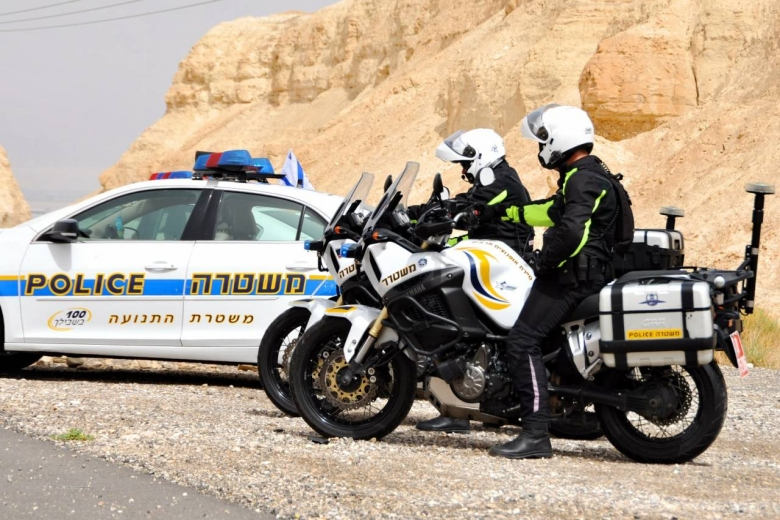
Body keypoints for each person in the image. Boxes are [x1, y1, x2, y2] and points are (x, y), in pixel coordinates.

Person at [486, 104, 621, 459]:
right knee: (542, 339)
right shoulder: (588, 175)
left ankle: (534, 434)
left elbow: (573, 232)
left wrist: (545, 262)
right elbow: (552, 211)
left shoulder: (582, 179)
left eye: (542, 140)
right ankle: (562, 410)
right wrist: (509, 212)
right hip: (588, 275)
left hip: (573, 279)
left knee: (522, 340)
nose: (540, 148)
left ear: (560, 140)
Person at [409, 128, 534, 434]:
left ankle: (457, 410)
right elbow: (466, 205)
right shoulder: (496, 179)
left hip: (501, 267)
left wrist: (423, 214)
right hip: (494, 262)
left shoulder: (500, 182)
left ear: (481, 156)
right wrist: (412, 213)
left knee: (454, 328)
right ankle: (463, 407)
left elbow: (464, 206)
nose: (464, 170)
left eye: (465, 163)